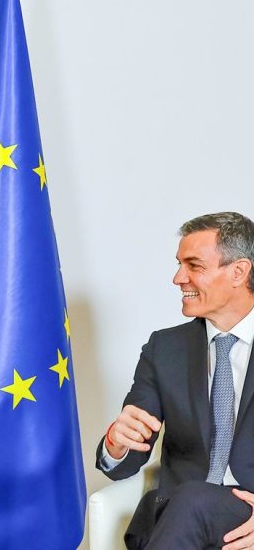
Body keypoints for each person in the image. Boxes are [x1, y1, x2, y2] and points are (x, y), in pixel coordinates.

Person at [97, 212, 254, 549]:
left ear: (239, 271)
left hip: (246, 516)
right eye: (179, 265)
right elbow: (125, 461)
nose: (178, 278)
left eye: (194, 266)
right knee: (191, 500)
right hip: (176, 519)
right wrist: (117, 442)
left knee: (195, 499)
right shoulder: (164, 349)